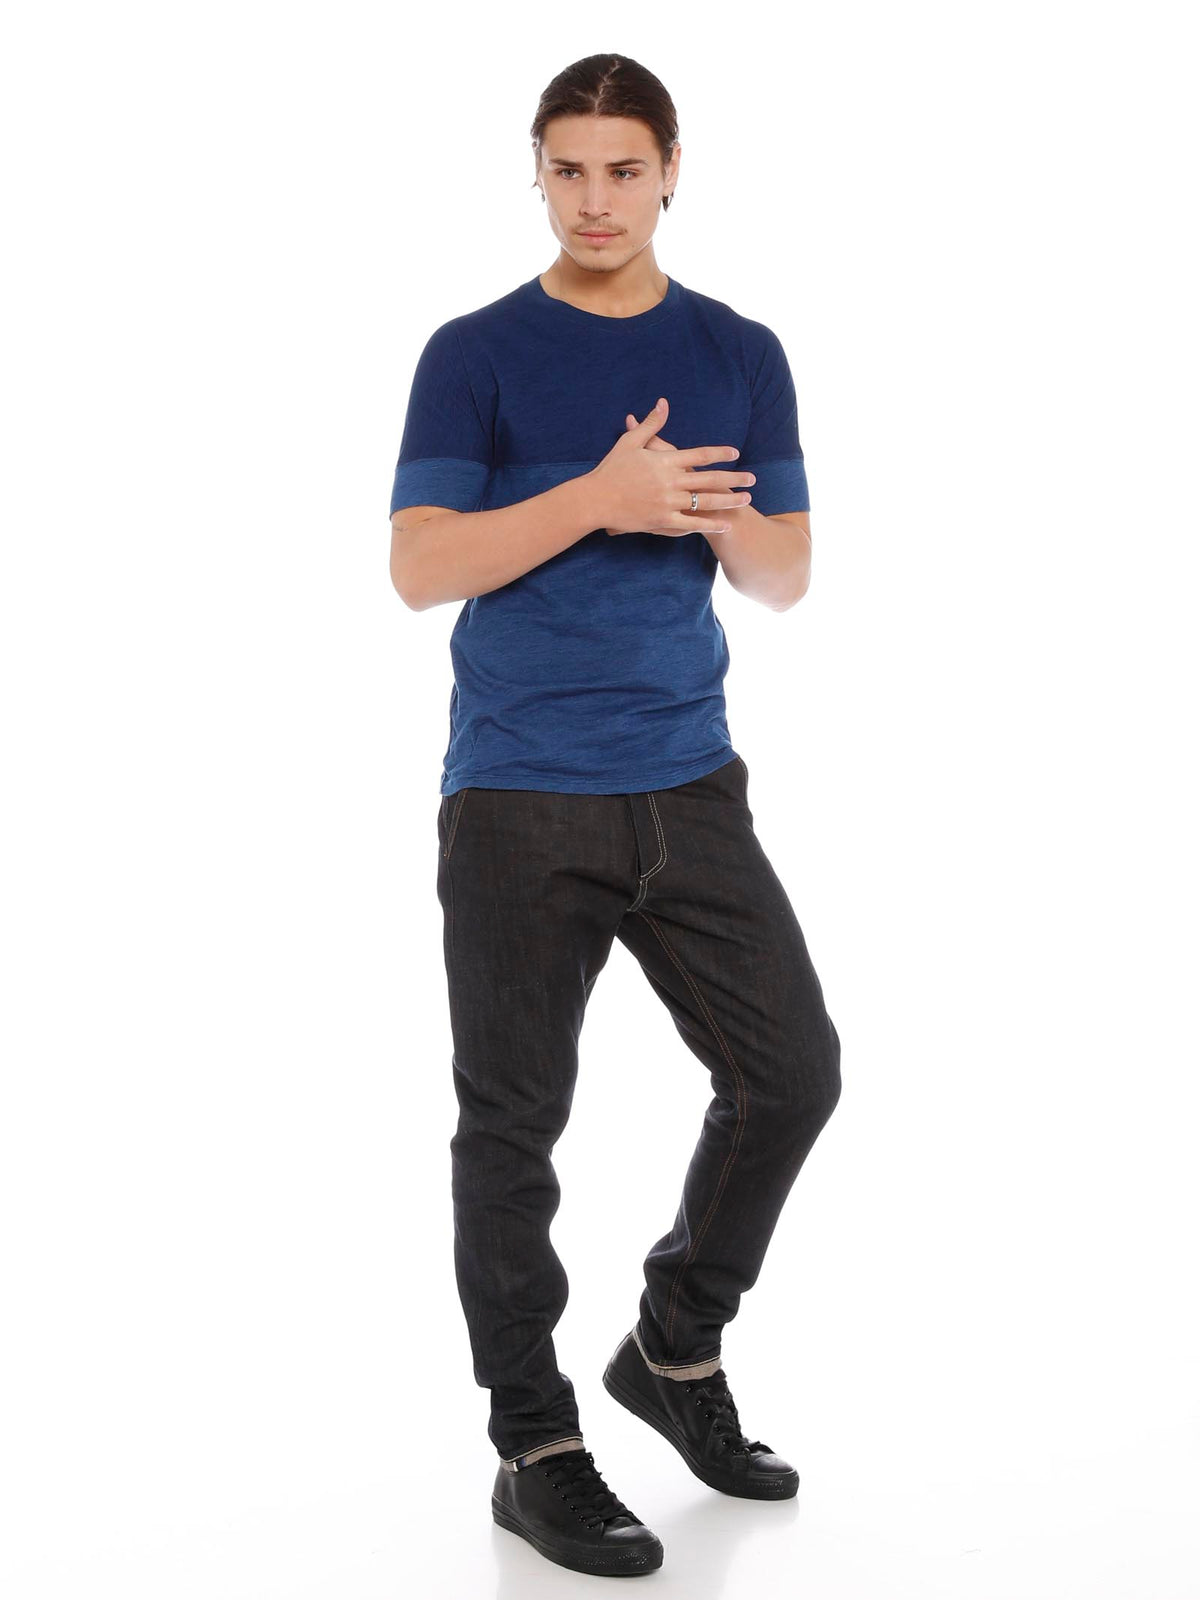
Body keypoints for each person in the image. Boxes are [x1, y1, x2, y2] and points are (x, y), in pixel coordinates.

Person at [387, 53, 842, 1580]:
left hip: (689, 784)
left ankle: (674, 1346)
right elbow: (420, 569)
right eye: (569, 169)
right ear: (537, 174)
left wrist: (708, 511)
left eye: (624, 170)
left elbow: (785, 577)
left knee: (791, 1075)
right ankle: (537, 1445)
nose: (596, 200)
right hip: (518, 792)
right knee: (513, 1129)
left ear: (671, 173)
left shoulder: (737, 350)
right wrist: (596, 496)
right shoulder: (475, 353)